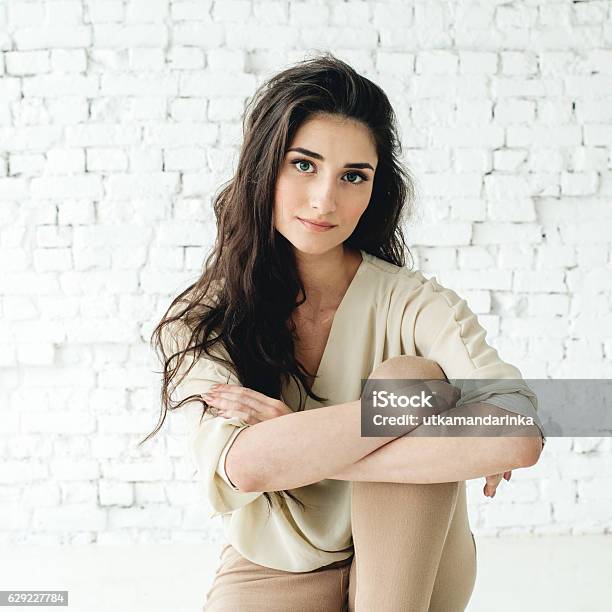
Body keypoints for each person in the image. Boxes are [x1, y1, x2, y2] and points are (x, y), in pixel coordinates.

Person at [142, 53, 546, 611]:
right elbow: (246, 465)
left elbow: (518, 432)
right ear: (265, 168)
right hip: (275, 566)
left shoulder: (412, 302)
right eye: (304, 165)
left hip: (416, 557)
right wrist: (423, 422)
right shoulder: (202, 319)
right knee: (414, 397)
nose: (325, 200)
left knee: (409, 377)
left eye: (353, 176)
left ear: (375, 190)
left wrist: (299, 443)